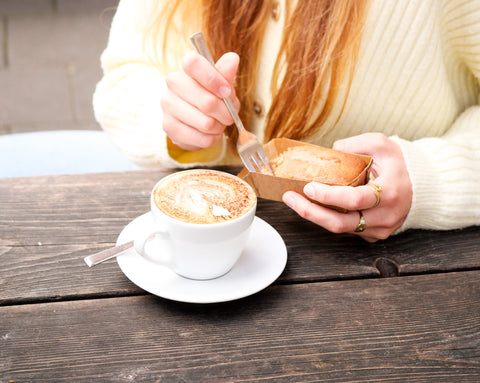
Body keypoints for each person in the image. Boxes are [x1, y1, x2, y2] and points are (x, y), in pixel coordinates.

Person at [93, 0, 480, 242]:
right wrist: (176, 117)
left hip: (401, 262)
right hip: (199, 235)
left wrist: (431, 177)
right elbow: (125, 73)